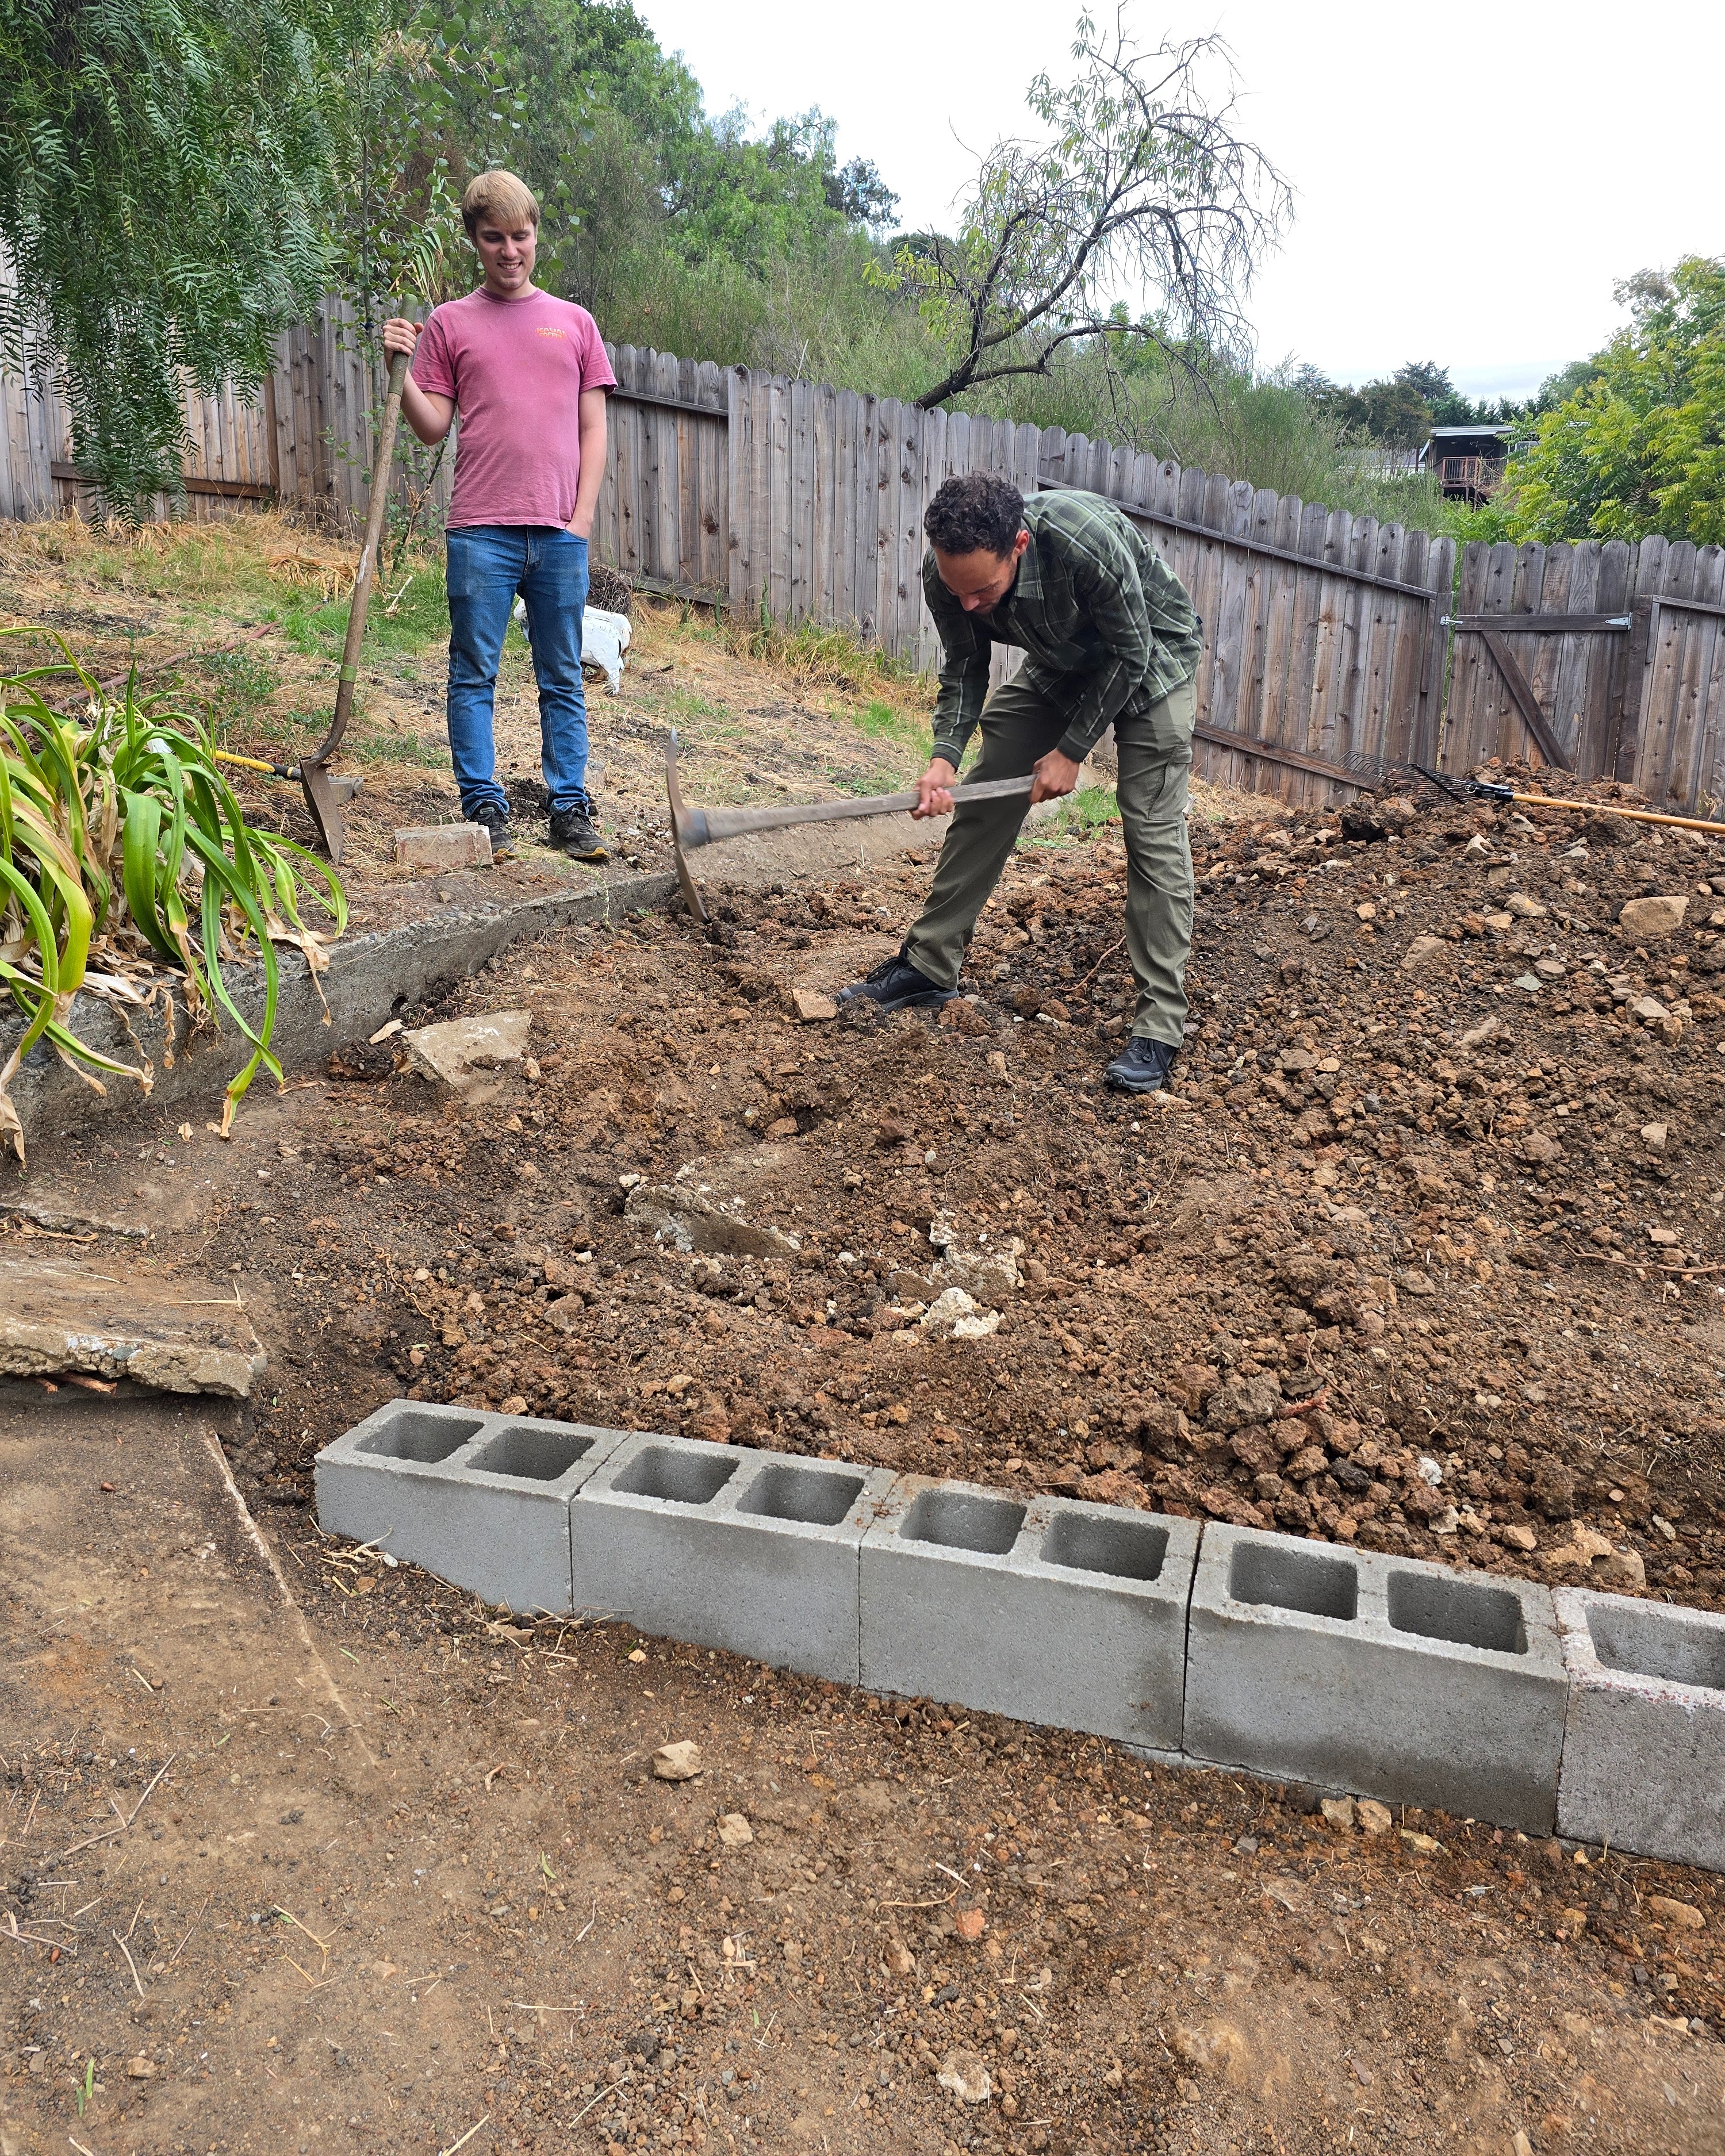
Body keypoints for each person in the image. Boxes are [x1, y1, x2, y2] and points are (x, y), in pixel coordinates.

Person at [837, 474, 1204, 1094]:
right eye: (961, 593)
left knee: (1149, 825)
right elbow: (965, 665)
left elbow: (1131, 653)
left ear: (1021, 546)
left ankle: (1161, 1026)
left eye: (985, 591)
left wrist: (1071, 751)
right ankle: (929, 966)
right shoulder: (948, 576)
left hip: (1151, 655)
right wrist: (944, 757)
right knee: (988, 789)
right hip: (1064, 661)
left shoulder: (1084, 540)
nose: (973, 605)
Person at [381, 168, 615, 861]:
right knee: (473, 671)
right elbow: (431, 429)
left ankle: (569, 810)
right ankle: (484, 807)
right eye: (494, 239)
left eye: (521, 236)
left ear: (536, 234)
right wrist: (398, 370)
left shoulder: (575, 324)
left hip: (558, 534)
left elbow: (594, 429)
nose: (510, 251)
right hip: (480, 530)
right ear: (474, 242)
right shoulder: (452, 323)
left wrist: (580, 521)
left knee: (562, 675)